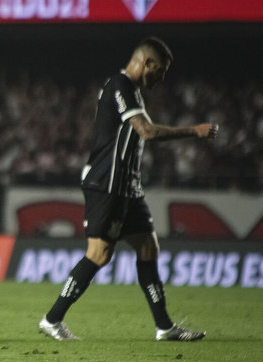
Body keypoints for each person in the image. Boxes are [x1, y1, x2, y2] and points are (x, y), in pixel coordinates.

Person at [38, 37, 218, 341]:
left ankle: (164, 327)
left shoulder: (132, 91)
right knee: (99, 254)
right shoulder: (120, 85)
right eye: (159, 71)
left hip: (127, 187)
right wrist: (194, 131)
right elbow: (146, 131)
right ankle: (52, 320)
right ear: (146, 63)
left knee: (148, 248)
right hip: (106, 183)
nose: (161, 78)